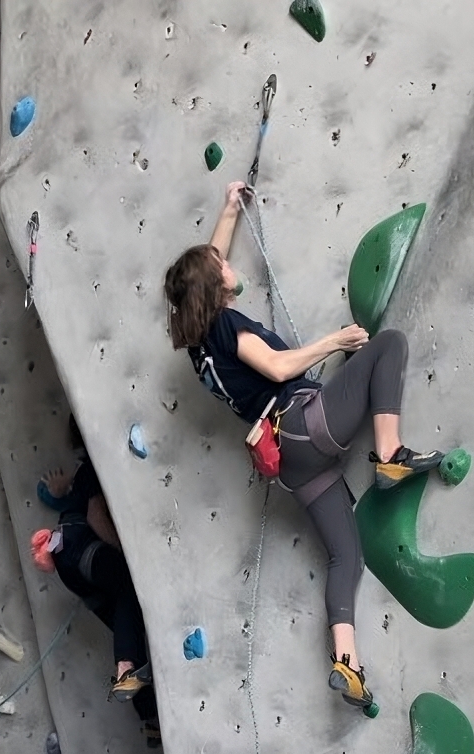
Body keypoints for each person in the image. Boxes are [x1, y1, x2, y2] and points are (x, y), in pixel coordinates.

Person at [163, 181, 443, 711]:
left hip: (290, 463)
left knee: (346, 556)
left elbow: (210, 260)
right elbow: (274, 367)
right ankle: (389, 454)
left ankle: (347, 663)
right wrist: (333, 342)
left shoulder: (199, 345)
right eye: (219, 266)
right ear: (216, 288)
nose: (226, 264)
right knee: (389, 346)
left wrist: (228, 208)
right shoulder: (226, 325)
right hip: (301, 423)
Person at [36, 415, 161, 748]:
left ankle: (150, 719)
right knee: (131, 587)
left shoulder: (83, 471)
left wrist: (62, 491)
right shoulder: (95, 463)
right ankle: (126, 669)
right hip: (81, 547)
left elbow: (70, 501)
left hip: (71, 561)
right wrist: (126, 554)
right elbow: (94, 516)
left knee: (130, 623)